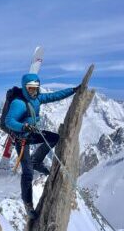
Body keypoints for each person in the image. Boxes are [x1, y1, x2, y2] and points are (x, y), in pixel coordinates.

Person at [5, 73, 81, 219]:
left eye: (36, 88)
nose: (34, 91)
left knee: (54, 138)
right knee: (27, 173)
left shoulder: (38, 98)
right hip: (21, 139)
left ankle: (36, 161)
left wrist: (73, 90)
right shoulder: (18, 103)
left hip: (31, 133)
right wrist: (23, 126)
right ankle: (28, 204)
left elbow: (54, 96)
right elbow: (9, 121)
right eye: (31, 89)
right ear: (25, 88)